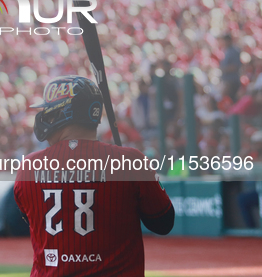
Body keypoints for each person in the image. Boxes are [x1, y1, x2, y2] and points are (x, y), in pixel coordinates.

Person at [14, 75, 174, 277]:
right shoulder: (131, 161)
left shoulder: (28, 166)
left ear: (66, 114)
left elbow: (32, 221)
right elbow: (163, 223)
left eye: (50, 112)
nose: (46, 118)